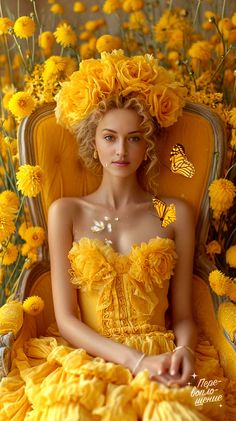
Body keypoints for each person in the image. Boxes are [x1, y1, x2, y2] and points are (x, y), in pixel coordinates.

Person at [0, 51, 235, 420]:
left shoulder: (172, 212)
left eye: (134, 138)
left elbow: (184, 314)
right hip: (91, 356)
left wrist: (185, 354)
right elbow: (67, 319)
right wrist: (135, 361)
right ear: (93, 142)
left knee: (180, 412)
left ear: (148, 146)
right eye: (110, 137)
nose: (121, 150)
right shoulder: (68, 211)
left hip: (166, 356)